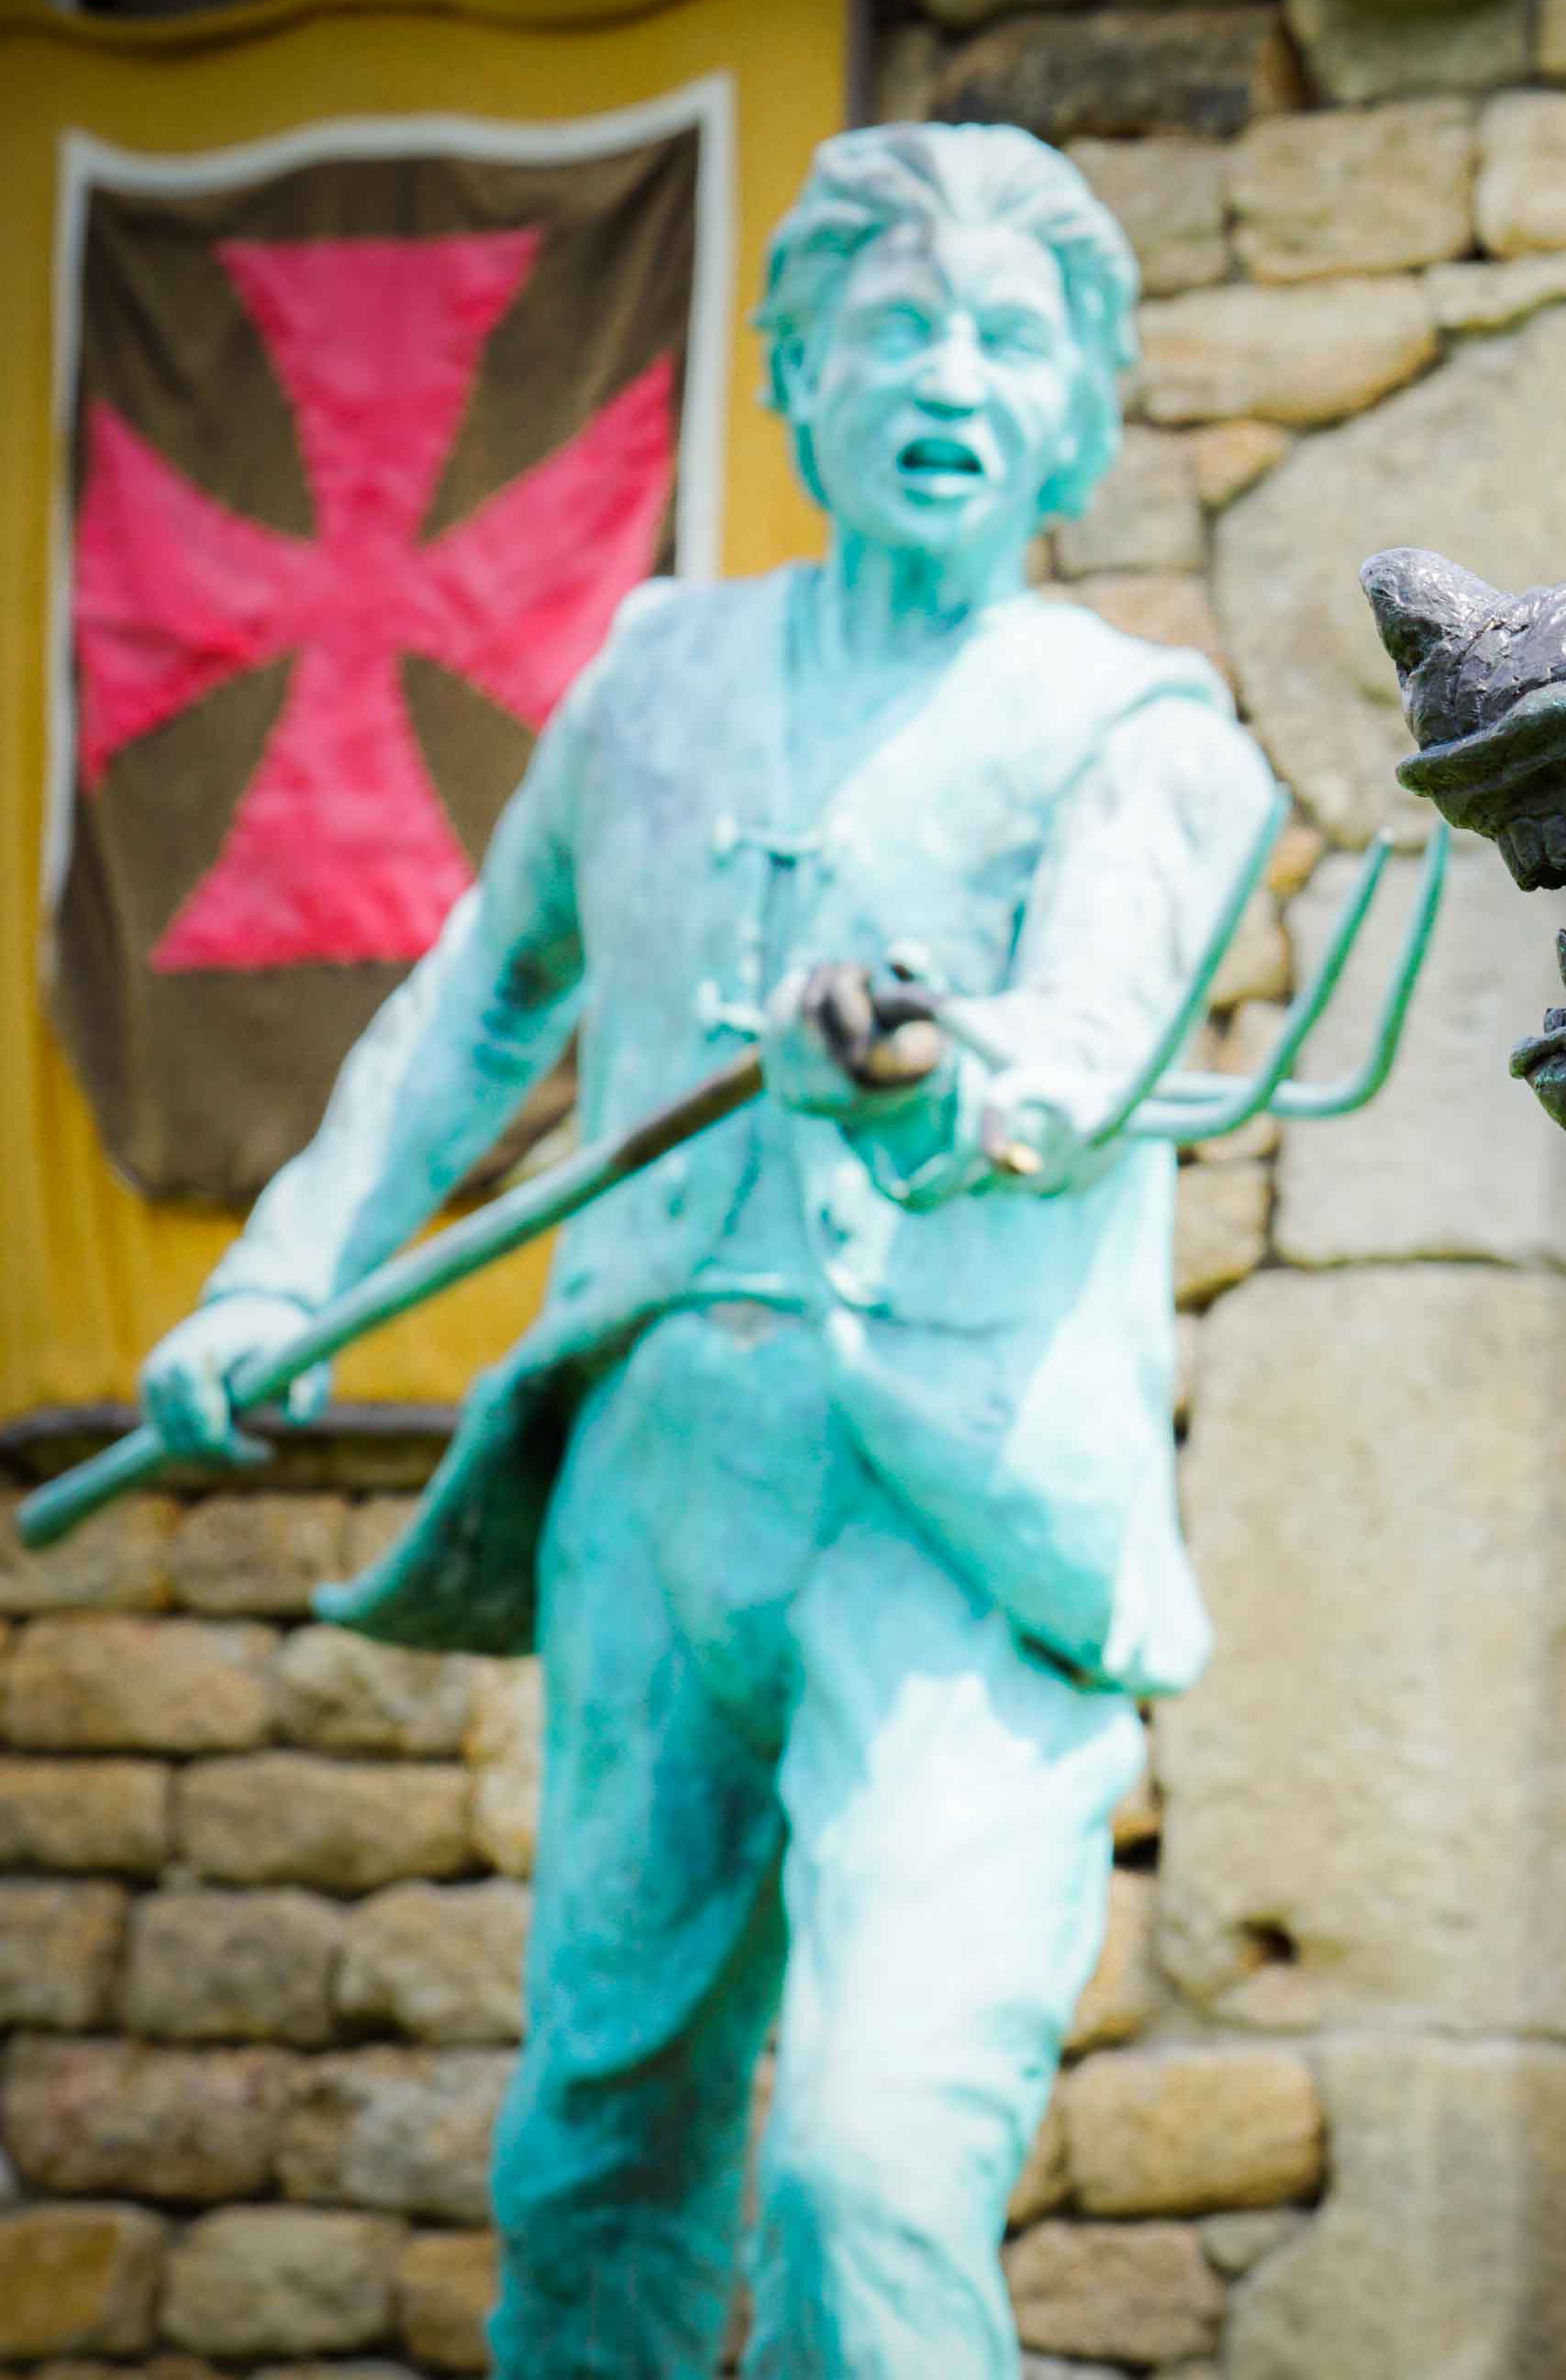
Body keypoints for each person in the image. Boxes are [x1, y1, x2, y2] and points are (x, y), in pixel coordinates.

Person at [129, 123, 1280, 2377]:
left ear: (1078, 411)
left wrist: (939, 1077)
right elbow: (481, 1003)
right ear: (790, 373)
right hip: (657, 1492)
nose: (950, 378)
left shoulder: (1139, 735)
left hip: (950, 1523)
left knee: (868, 2173)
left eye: (1010, 340)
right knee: (595, 2148)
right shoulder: (655, 679)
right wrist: (281, 1278)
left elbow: (1083, 1044)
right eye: (894, 327)